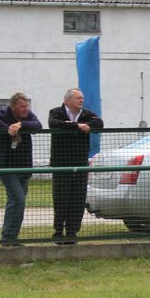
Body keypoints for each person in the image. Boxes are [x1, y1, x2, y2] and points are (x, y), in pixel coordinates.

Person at [49, 88, 104, 245]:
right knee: (61, 198)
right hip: (61, 163)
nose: (81, 100)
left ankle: (72, 232)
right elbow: (54, 124)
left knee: (78, 198)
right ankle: (58, 232)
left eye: (82, 98)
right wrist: (79, 126)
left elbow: (98, 123)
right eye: (78, 98)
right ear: (68, 101)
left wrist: (77, 125)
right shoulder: (56, 112)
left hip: (80, 162)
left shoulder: (87, 114)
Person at [0, 92, 42, 246]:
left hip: (24, 166)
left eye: (26, 106)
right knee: (18, 200)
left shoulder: (28, 116)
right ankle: (8, 237)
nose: (25, 109)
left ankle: (11, 237)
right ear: (12, 107)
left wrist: (21, 125)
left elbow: (38, 125)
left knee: (18, 201)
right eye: (21, 106)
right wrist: (10, 128)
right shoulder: (1, 114)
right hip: (6, 166)